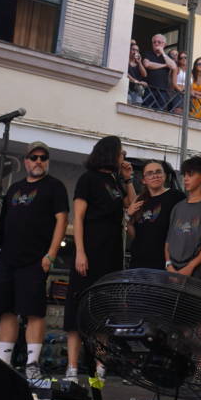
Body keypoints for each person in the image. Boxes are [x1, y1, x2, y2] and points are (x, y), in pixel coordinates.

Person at [0, 141, 68, 383]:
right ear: (26, 161)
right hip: (8, 258)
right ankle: (3, 363)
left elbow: (62, 220)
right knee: (6, 310)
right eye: (34, 157)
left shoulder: (54, 186)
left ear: (47, 161)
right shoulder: (14, 188)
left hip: (35, 259)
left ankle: (32, 364)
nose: (38, 161)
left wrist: (50, 254)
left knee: (34, 311)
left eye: (43, 157)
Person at [64, 136, 134, 383]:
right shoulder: (88, 179)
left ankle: (99, 371)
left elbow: (132, 205)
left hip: (111, 253)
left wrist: (128, 179)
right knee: (77, 311)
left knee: (105, 313)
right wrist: (80, 251)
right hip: (90, 250)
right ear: (110, 153)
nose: (123, 157)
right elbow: (78, 217)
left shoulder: (114, 181)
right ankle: (72, 370)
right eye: (121, 153)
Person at [166, 156, 201, 281]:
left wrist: (190, 266)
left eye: (190, 174)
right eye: (184, 175)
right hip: (172, 270)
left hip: (197, 273)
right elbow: (168, 241)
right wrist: (168, 265)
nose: (185, 178)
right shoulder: (177, 207)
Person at [127, 160, 184, 270]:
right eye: (150, 173)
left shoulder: (176, 196)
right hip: (138, 261)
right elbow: (135, 235)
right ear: (144, 180)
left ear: (164, 175)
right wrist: (128, 216)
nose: (155, 176)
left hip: (165, 263)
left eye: (158, 172)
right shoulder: (140, 199)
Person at [142, 34, 176, 111]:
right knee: (145, 111)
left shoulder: (167, 57)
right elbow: (147, 64)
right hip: (149, 89)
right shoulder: (148, 54)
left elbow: (173, 66)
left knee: (160, 113)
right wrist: (165, 65)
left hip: (162, 91)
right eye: (154, 42)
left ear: (164, 44)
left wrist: (163, 52)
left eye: (159, 42)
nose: (156, 44)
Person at [127, 40, 147, 105]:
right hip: (127, 89)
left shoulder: (138, 64)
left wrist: (139, 62)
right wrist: (137, 82)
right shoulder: (125, 61)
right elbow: (126, 74)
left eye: (137, 50)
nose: (135, 52)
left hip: (136, 91)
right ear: (129, 50)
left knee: (138, 103)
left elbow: (144, 74)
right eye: (133, 49)